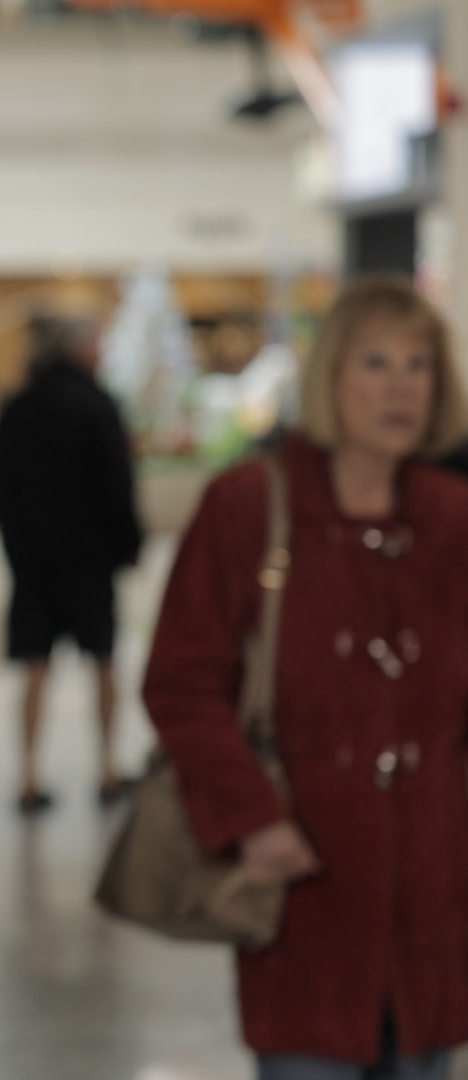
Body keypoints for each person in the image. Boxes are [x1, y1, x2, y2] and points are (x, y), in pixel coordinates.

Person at [143, 276, 468, 1079]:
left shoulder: (452, 518)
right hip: (305, 889)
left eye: (420, 365)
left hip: (436, 904)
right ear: (331, 377)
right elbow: (182, 683)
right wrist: (251, 818)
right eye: (377, 363)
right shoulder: (248, 506)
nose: (401, 387)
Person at [0, 315, 144, 814]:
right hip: (90, 563)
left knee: (35, 666)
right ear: (80, 351)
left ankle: (28, 776)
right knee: (103, 661)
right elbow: (118, 484)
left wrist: (17, 547)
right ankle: (107, 768)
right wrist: (127, 545)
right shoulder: (97, 406)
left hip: (34, 564)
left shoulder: (19, 407)